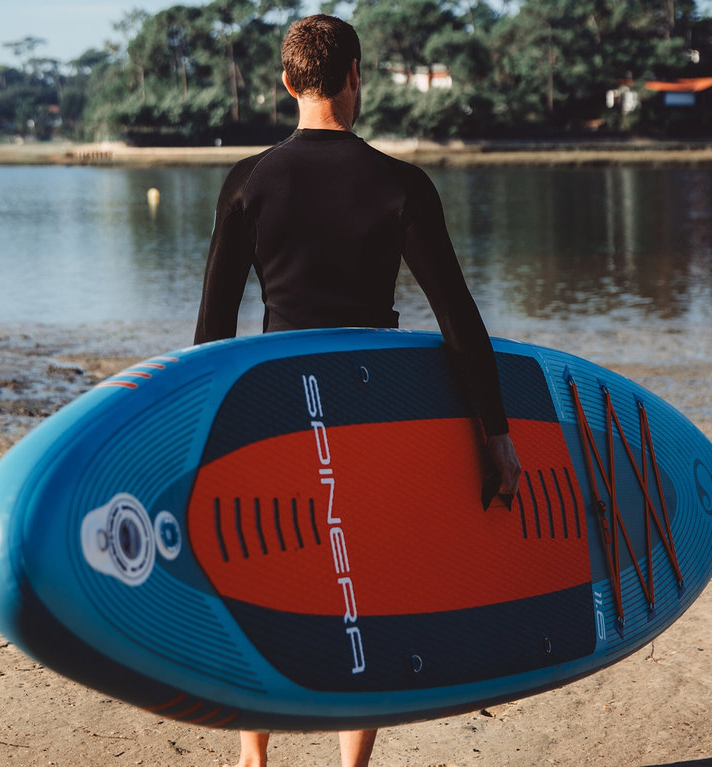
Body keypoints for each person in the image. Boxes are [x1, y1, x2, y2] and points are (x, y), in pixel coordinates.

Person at [194, 14, 521, 767]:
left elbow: (212, 328)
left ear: (286, 84)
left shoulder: (248, 181)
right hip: (367, 409)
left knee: (266, 572)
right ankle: (352, 764)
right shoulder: (400, 183)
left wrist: (207, 434)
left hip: (274, 405)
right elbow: (457, 319)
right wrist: (494, 431)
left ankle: (253, 751)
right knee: (363, 582)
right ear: (355, 78)